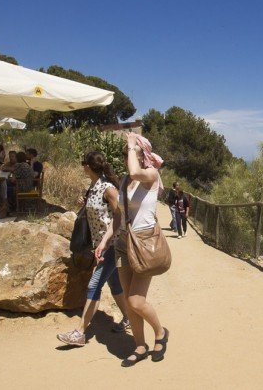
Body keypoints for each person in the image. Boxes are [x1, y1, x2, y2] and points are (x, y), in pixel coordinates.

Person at [57, 151, 130, 346]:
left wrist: (106, 241)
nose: (82, 167)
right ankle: (129, 317)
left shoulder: (108, 188)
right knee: (115, 284)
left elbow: (119, 216)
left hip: (112, 245)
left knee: (94, 284)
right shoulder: (93, 187)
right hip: (101, 245)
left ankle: (80, 333)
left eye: (83, 164)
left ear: (88, 167)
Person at [110, 132, 169, 367]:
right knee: (128, 300)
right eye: (126, 154)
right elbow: (120, 211)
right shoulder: (126, 179)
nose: (127, 157)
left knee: (136, 301)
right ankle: (140, 346)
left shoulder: (150, 175)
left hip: (145, 243)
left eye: (130, 153)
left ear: (141, 154)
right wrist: (108, 239)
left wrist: (133, 145)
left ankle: (161, 332)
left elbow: (136, 171)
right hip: (124, 243)